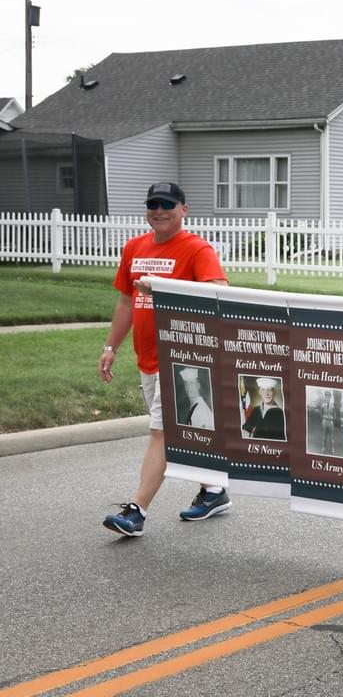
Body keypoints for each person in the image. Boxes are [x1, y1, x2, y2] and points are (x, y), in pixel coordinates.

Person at [99, 182, 230, 537]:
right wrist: (111, 347)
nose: (159, 211)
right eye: (153, 204)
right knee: (181, 432)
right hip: (149, 359)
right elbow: (126, 302)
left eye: (168, 205)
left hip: (185, 359)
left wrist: (162, 288)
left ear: (183, 210)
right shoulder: (134, 247)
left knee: (161, 433)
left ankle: (136, 511)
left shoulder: (196, 249)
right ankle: (215, 490)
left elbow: (219, 291)